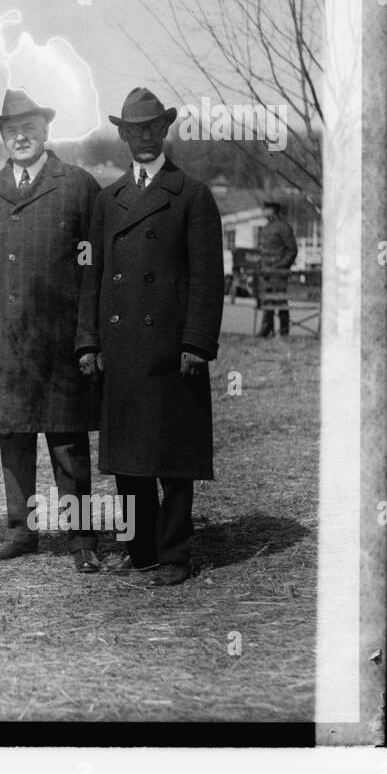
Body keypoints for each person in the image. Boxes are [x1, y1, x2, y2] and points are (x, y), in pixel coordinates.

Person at [75, 87, 224, 587]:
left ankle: (176, 554)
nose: (143, 137)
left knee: (174, 456)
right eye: (134, 130)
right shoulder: (108, 199)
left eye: (152, 128)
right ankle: (139, 551)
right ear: (122, 134)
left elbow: (207, 276)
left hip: (171, 349)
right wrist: (88, 341)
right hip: (121, 348)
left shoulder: (192, 195)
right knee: (130, 459)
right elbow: (92, 275)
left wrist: (197, 342)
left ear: (165, 130)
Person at [0, 89, 103, 573]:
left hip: (62, 341)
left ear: (46, 131)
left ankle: (81, 538)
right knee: (14, 436)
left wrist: (87, 333)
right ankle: (20, 531)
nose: (19, 137)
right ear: (2, 137)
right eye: (10, 130)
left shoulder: (78, 186)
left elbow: (95, 265)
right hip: (5, 341)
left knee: (67, 441)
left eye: (29, 128)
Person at [258, 198, 298, 337]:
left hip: (279, 271)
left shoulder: (283, 227)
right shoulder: (267, 227)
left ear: (273, 211)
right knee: (267, 299)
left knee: (280, 300)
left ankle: (284, 331)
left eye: (266, 209)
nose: (264, 211)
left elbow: (292, 250)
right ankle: (267, 329)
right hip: (266, 270)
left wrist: (280, 265)